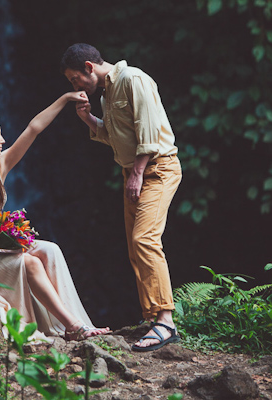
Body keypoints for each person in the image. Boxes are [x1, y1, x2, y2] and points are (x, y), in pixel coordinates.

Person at [0, 92, 110, 341]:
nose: (3, 140)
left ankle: (66, 319)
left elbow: (33, 129)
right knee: (32, 262)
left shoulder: (0, 166)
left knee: (51, 250)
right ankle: (74, 326)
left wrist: (66, 98)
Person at [60, 43, 182, 351]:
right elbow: (117, 138)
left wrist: (138, 173)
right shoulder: (106, 94)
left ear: (89, 67)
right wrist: (89, 120)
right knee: (134, 247)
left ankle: (166, 322)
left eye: (75, 79)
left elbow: (150, 132)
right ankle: (153, 316)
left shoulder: (132, 79)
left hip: (157, 169)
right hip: (133, 172)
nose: (75, 86)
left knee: (145, 239)